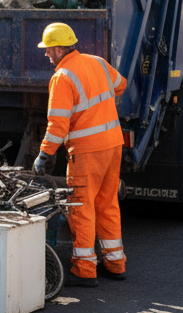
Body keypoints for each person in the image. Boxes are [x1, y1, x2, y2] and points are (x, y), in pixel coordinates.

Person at [32, 22, 127, 287]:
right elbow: (121, 85)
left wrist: (44, 154)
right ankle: (116, 263)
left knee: (81, 207)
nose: (47, 55)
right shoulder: (97, 62)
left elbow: (57, 124)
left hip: (87, 151)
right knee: (107, 203)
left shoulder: (62, 77)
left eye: (49, 50)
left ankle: (85, 269)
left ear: (60, 48)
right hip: (113, 144)